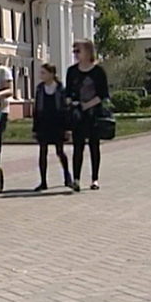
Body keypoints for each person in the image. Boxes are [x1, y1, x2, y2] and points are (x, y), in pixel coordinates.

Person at [66, 39, 110, 192]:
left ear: (88, 51)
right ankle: (76, 179)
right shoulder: (72, 71)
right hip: (78, 114)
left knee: (94, 145)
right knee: (78, 146)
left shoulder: (98, 71)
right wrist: (70, 101)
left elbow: (103, 94)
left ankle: (94, 179)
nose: (76, 54)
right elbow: (68, 92)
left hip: (94, 113)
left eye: (78, 51)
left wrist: (88, 104)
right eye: (74, 51)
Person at [32, 63, 73, 192]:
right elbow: (36, 110)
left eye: (44, 73)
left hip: (57, 124)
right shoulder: (40, 89)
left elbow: (66, 110)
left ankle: (67, 176)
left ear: (52, 74)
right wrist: (35, 128)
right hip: (43, 124)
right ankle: (43, 181)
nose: (41, 75)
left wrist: (67, 128)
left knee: (60, 151)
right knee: (42, 152)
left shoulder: (61, 89)